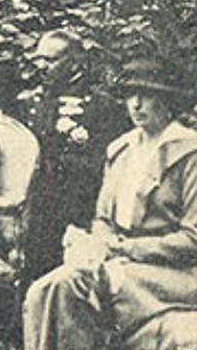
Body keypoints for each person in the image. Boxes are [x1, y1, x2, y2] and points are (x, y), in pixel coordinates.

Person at [22, 57, 197, 350]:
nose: (136, 104)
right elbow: (102, 217)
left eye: (147, 96)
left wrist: (126, 249)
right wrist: (100, 243)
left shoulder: (192, 156)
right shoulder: (120, 150)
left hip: (184, 270)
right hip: (123, 260)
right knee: (55, 285)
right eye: (131, 95)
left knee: (102, 284)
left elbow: (194, 239)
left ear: (168, 101)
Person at [17, 29, 128, 286]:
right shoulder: (33, 105)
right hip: (39, 210)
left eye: (51, 60)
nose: (42, 67)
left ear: (76, 63)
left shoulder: (103, 107)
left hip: (80, 209)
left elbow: (110, 165)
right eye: (39, 59)